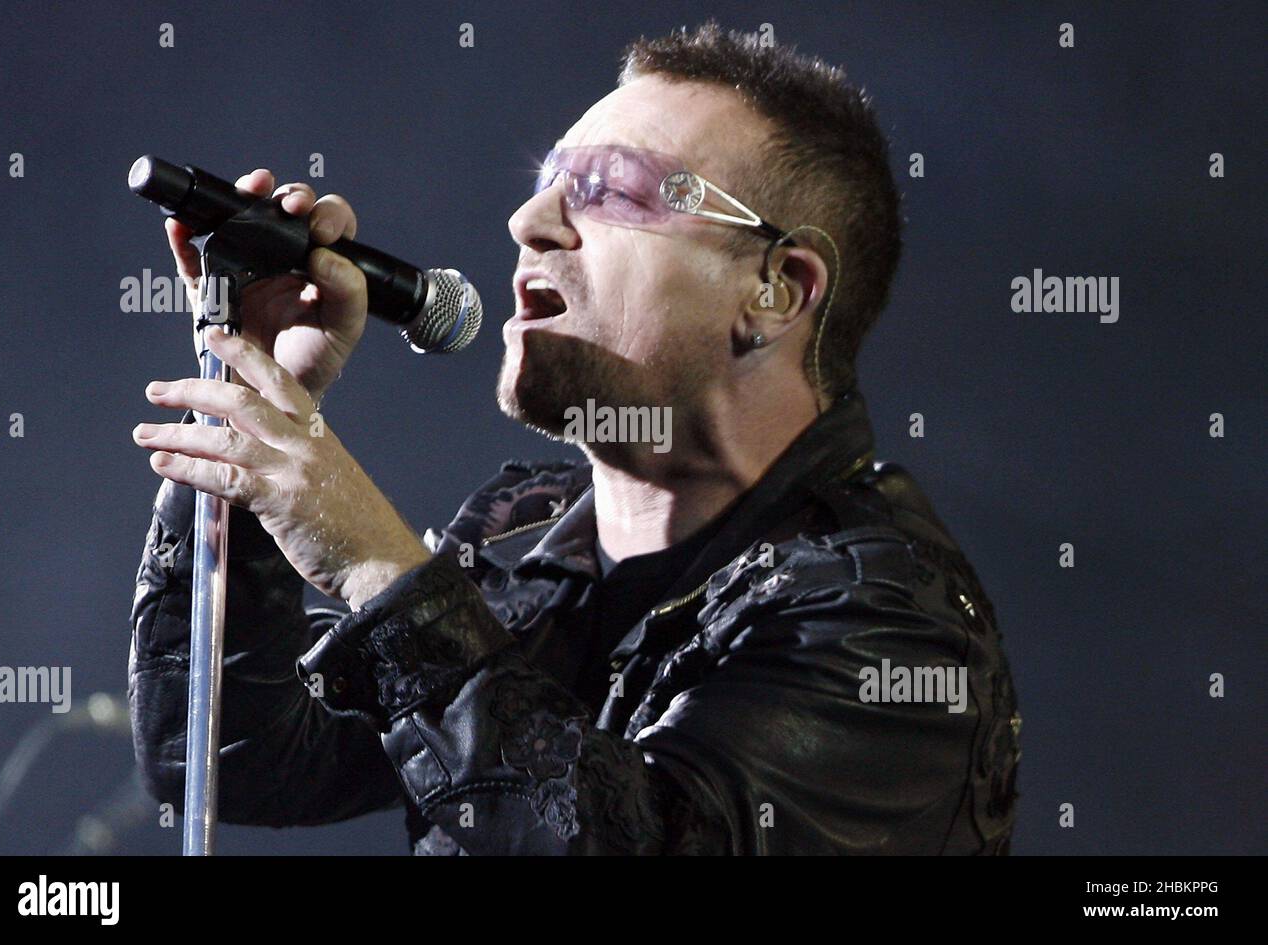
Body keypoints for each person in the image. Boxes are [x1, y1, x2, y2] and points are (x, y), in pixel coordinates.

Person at [129, 23, 1020, 855]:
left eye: (610, 190)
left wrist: (375, 564)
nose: (531, 222)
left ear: (777, 289)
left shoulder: (893, 629)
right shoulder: (533, 538)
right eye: (546, 181)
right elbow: (232, 757)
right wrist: (254, 400)